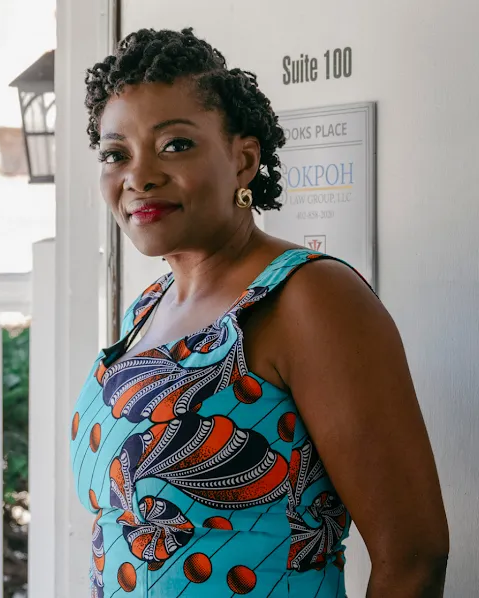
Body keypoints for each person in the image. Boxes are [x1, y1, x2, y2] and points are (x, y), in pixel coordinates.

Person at [70, 27, 449, 598]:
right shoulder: (147, 309)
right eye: (115, 153)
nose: (139, 176)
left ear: (243, 160)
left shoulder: (311, 299)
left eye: (174, 145)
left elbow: (414, 558)